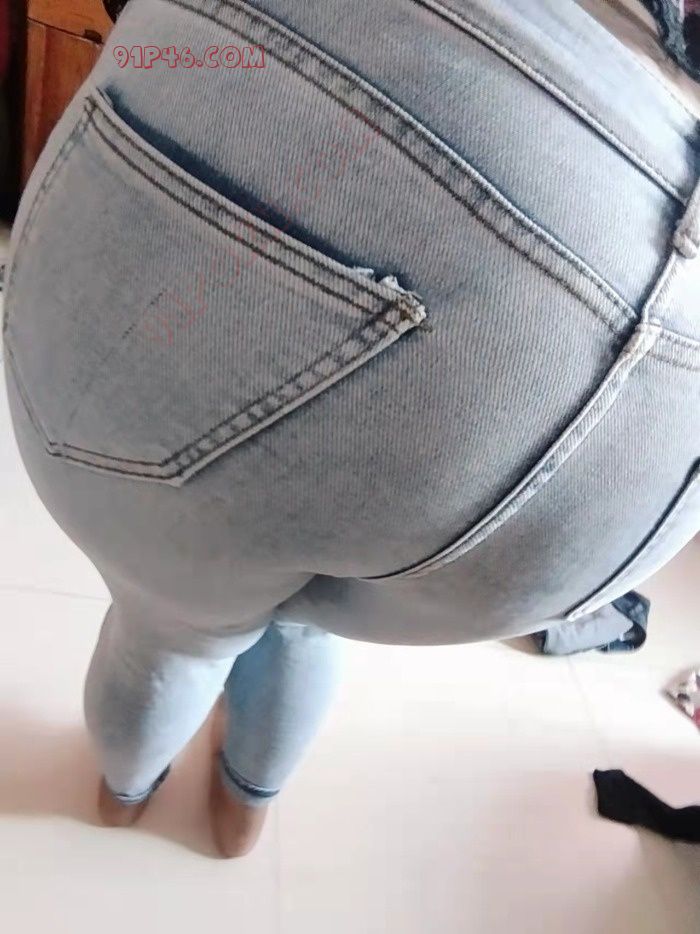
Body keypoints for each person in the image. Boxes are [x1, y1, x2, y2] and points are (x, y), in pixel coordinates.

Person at [4, 0, 699, 857]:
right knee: (306, 616)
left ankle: (124, 794)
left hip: (386, 60)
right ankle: (243, 813)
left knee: (174, 628)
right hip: (659, 404)